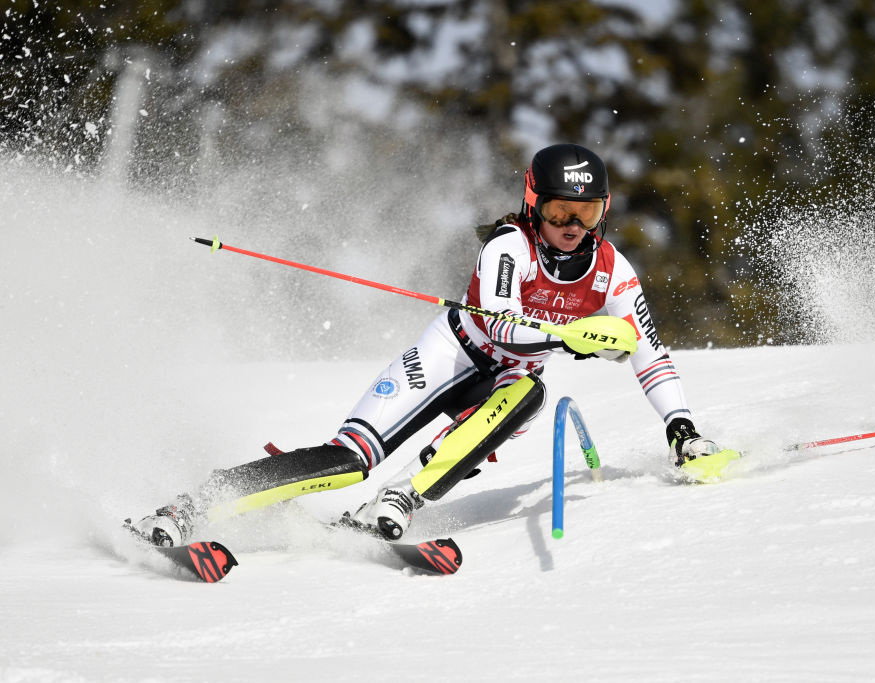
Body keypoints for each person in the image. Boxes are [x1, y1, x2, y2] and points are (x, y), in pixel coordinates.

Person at [130, 143, 722, 546]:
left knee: (527, 395)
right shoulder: (508, 248)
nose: (572, 225)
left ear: (603, 210)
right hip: (452, 354)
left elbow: (648, 352)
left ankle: (398, 500)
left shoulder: (613, 271)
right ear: (533, 201)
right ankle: (192, 505)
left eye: (586, 211)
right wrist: (573, 336)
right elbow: (499, 327)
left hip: (506, 382)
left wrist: (682, 429)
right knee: (348, 459)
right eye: (560, 210)